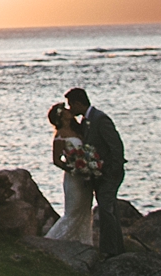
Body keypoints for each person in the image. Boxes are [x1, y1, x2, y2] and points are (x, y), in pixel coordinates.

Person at [66, 87, 127, 258]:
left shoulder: (100, 119)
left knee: (106, 210)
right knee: (110, 209)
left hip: (109, 173)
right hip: (100, 174)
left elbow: (116, 145)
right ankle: (117, 249)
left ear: (79, 103)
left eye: (71, 105)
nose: (70, 109)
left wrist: (114, 170)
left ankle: (109, 251)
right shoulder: (86, 121)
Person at [46, 103, 95, 244]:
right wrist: (73, 169)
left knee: (85, 211)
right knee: (72, 211)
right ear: (61, 116)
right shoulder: (60, 136)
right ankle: (53, 241)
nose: (69, 110)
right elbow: (57, 160)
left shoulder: (77, 130)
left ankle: (82, 242)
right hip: (74, 178)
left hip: (85, 177)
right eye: (66, 110)